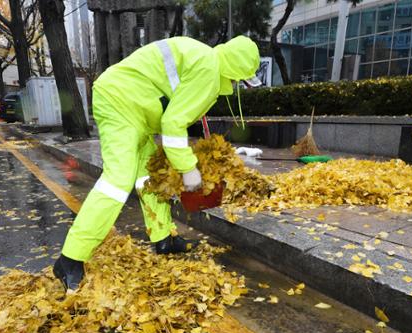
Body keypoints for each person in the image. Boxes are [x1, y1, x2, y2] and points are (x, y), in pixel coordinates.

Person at [53, 35, 261, 292]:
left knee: (148, 179)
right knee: (117, 181)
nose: (237, 84)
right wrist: (188, 169)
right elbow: (173, 123)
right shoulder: (208, 68)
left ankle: (163, 239)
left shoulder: (205, 60)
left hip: (132, 108)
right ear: (237, 69)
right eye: (240, 79)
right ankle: (70, 259)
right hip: (121, 104)